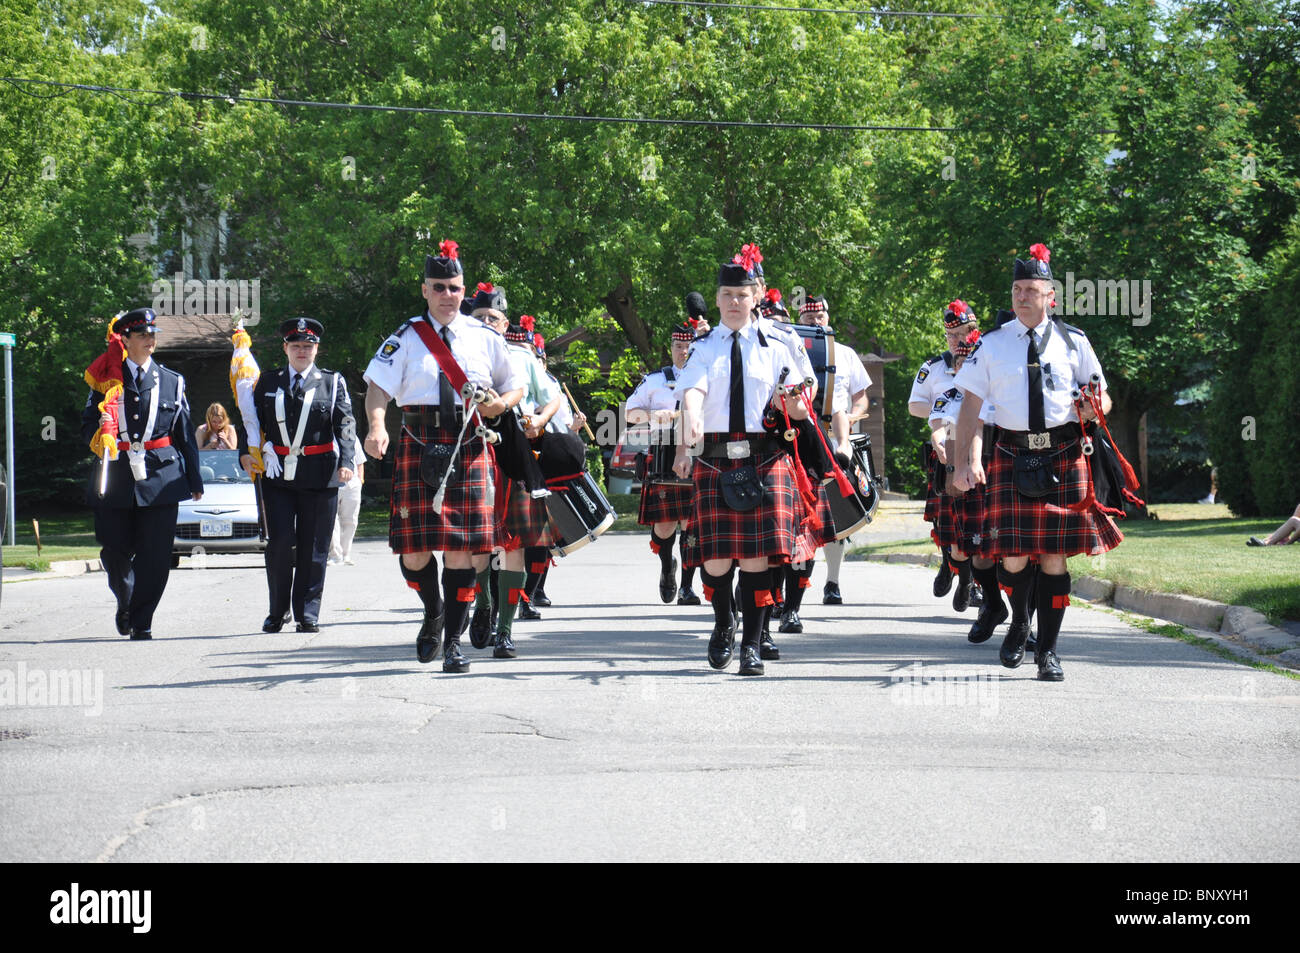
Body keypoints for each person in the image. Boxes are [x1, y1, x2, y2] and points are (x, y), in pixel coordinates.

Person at [952, 243, 1123, 681]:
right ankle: (1019, 621)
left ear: (1052, 296)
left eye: (1031, 289)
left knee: (1053, 557)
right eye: (1016, 289)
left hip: (1064, 454)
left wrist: (1092, 407)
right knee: (1012, 556)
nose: (1022, 296)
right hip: (1011, 452)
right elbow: (970, 404)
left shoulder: (1074, 342)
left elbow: (1101, 394)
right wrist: (963, 462)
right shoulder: (991, 345)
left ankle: (1047, 650)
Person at [363, 240, 524, 674]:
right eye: (439, 287)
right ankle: (433, 609)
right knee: (414, 553)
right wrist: (377, 426)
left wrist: (499, 405)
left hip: (469, 445)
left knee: (459, 549)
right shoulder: (406, 336)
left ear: (463, 288)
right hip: (418, 443)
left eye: (454, 287)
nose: (447, 295)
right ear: (425, 290)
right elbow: (378, 387)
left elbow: (516, 385)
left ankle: (452, 642)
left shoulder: (485, 337)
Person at [672, 246, 816, 676]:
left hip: (763, 458)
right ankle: (722, 624)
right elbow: (692, 395)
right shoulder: (704, 349)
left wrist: (794, 405)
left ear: (755, 296)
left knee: (756, 560)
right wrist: (688, 435)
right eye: (727, 295)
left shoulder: (778, 346)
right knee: (715, 563)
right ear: (717, 300)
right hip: (715, 459)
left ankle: (751, 646)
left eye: (742, 294)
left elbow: (799, 407)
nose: (735, 302)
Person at [81, 307, 204, 640]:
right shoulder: (107, 377)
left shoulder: (172, 381)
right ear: (125, 339)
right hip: (116, 473)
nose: (150, 340)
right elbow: (87, 423)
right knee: (114, 548)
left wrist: (195, 478)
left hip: (162, 476)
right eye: (142, 335)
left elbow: (184, 434)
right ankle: (126, 597)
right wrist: (101, 434)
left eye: (153, 335)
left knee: (156, 554)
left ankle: (141, 619)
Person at [239, 318, 356, 633]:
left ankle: (307, 612)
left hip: (320, 475)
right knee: (279, 544)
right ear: (285, 348)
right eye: (296, 345)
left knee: (314, 546)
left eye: (308, 346)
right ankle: (277, 611)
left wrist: (347, 459)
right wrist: (247, 454)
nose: (302, 351)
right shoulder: (267, 381)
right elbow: (251, 422)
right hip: (277, 477)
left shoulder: (331, 382)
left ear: (316, 349)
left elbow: (345, 423)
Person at [468, 314, 562, 657]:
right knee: (476, 541)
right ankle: (482, 604)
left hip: (514, 451)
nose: (487, 322)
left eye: (494, 317)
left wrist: (539, 419)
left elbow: (553, 398)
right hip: (469, 447)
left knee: (515, 546)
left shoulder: (523, 356)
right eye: (480, 317)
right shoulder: (458, 349)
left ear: (506, 324)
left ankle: (505, 629)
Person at [794, 294, 871, 609]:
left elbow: (862, 398)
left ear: (828, 316)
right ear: (800, 320)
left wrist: (850, 419)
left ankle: (833, 583)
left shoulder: (847, 354)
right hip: (797, 436)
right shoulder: (790, 351)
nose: (815, 321)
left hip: (835, 438)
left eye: (820, 315)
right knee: (799, 516)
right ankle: (789, 588)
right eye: (808, 317)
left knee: (836, 518)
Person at [626, 319, 704, 605]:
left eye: (688, 346)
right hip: (661, 454)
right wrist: (650, 416)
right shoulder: (656, 380)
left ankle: (687, 586)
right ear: (671, 348)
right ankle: (666, 566)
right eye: (678, 346)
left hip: (698, 451)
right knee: (663, 528)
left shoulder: (707, 380)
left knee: (691, 525)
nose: (683, 351)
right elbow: (629, 413)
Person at [910, 301, 982, 603]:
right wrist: (949, 412)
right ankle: (949, 564)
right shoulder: (933, 368)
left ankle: (972, 582)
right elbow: (915, 406)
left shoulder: (985, 361)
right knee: (947, 520)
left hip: (982, 446)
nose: (958, 341)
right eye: (951, 335)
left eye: (964, 333)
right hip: (945, 445)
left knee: (978, 522)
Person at [329, 438, 367, 565]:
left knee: (350, 521)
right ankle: (334, 555)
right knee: (332, 520)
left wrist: (360, 481)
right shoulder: (325, 436)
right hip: (332, 483)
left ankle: (346, 554)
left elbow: (360, 461)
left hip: (352, 484)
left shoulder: (353, 437)